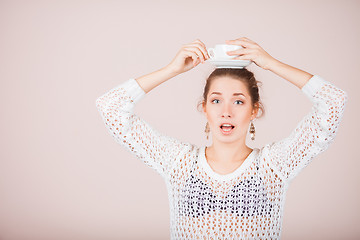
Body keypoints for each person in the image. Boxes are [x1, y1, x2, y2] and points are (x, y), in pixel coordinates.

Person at [95, 37, 347, 239]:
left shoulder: (274, 166)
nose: (226, 111)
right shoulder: (178, 162)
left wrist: (270, 63)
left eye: (238, 101)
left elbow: (333, 101)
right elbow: (110, 107)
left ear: (254, 110)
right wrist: (171, 70)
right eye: (216, 100)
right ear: (204, 108)